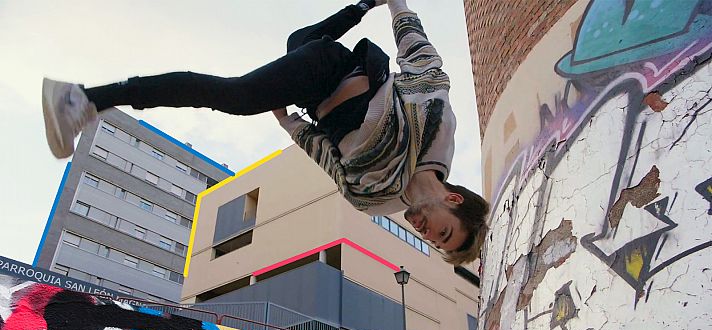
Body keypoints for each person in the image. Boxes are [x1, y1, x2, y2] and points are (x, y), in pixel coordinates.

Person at [40, 0, 489, 265]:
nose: (429, 237)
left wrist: (287, 122)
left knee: (297, 41)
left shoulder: (374, 202)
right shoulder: (437, 131)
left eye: (435, 245)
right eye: (443, 234)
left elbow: (327, 158)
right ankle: (83, 100)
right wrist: (399, 4)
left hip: (312, 98)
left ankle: (358, 5)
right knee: (236, 94)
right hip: (335, 69)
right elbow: (421, 59)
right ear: (453, 200)